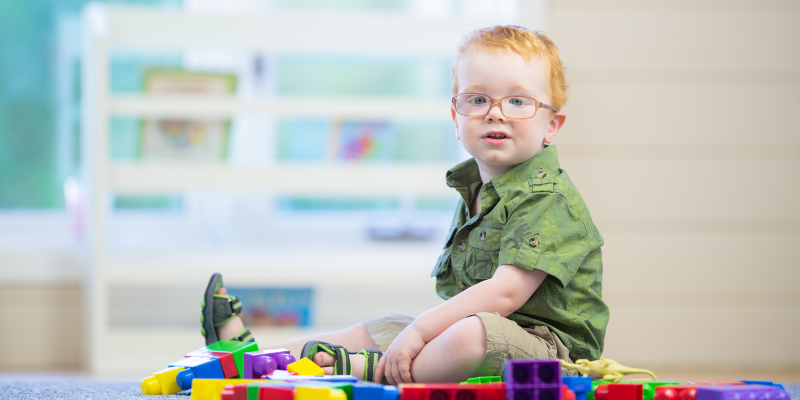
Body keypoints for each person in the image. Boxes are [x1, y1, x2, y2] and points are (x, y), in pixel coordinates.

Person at [201, 25, 608, 385]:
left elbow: (503, 295)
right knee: (383, 327)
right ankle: (256, 359)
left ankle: (369, 368)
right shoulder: (477, 189)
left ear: (552, 126)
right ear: (455, 117)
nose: (495, 113)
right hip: (482, 330)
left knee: (466, 335)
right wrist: (413, 332)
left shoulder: (546, 197)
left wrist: (421, 332)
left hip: (550, 354)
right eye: (478, 99)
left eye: (518, 102)